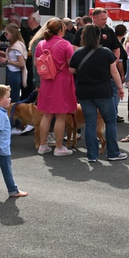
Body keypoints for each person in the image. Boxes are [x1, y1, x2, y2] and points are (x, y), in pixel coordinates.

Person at [69, 24, 127, 162]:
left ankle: (91, 155)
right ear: (98, 37)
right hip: (102, 91)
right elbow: (114, 71)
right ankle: (112, 153)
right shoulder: (106, 52)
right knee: (110, 121)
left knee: (90, 123)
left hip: (84, 91)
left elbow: (71, 70)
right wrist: (120, 87)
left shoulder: (78, 52)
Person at [31, 18, 76, 156]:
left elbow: (36, 63)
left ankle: (43, 145)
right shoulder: (65, 44)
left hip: (46, 81)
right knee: (60, 116)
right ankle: (59, 147)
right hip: (61, 82)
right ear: (61, 30)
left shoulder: (41, 44)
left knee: (47, 115)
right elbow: (72, 66)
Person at [0, 24, 27, 103]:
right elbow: (14, 57)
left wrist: (6, 61)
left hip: (14, 74)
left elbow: (21, 63)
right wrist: (5, 54)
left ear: (13, 34)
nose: (5, 35)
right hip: (12, 72)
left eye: (6, 33)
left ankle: (14, 114)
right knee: (11, 96)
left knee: (13, 97)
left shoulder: (17, 46)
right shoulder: (15, 45)